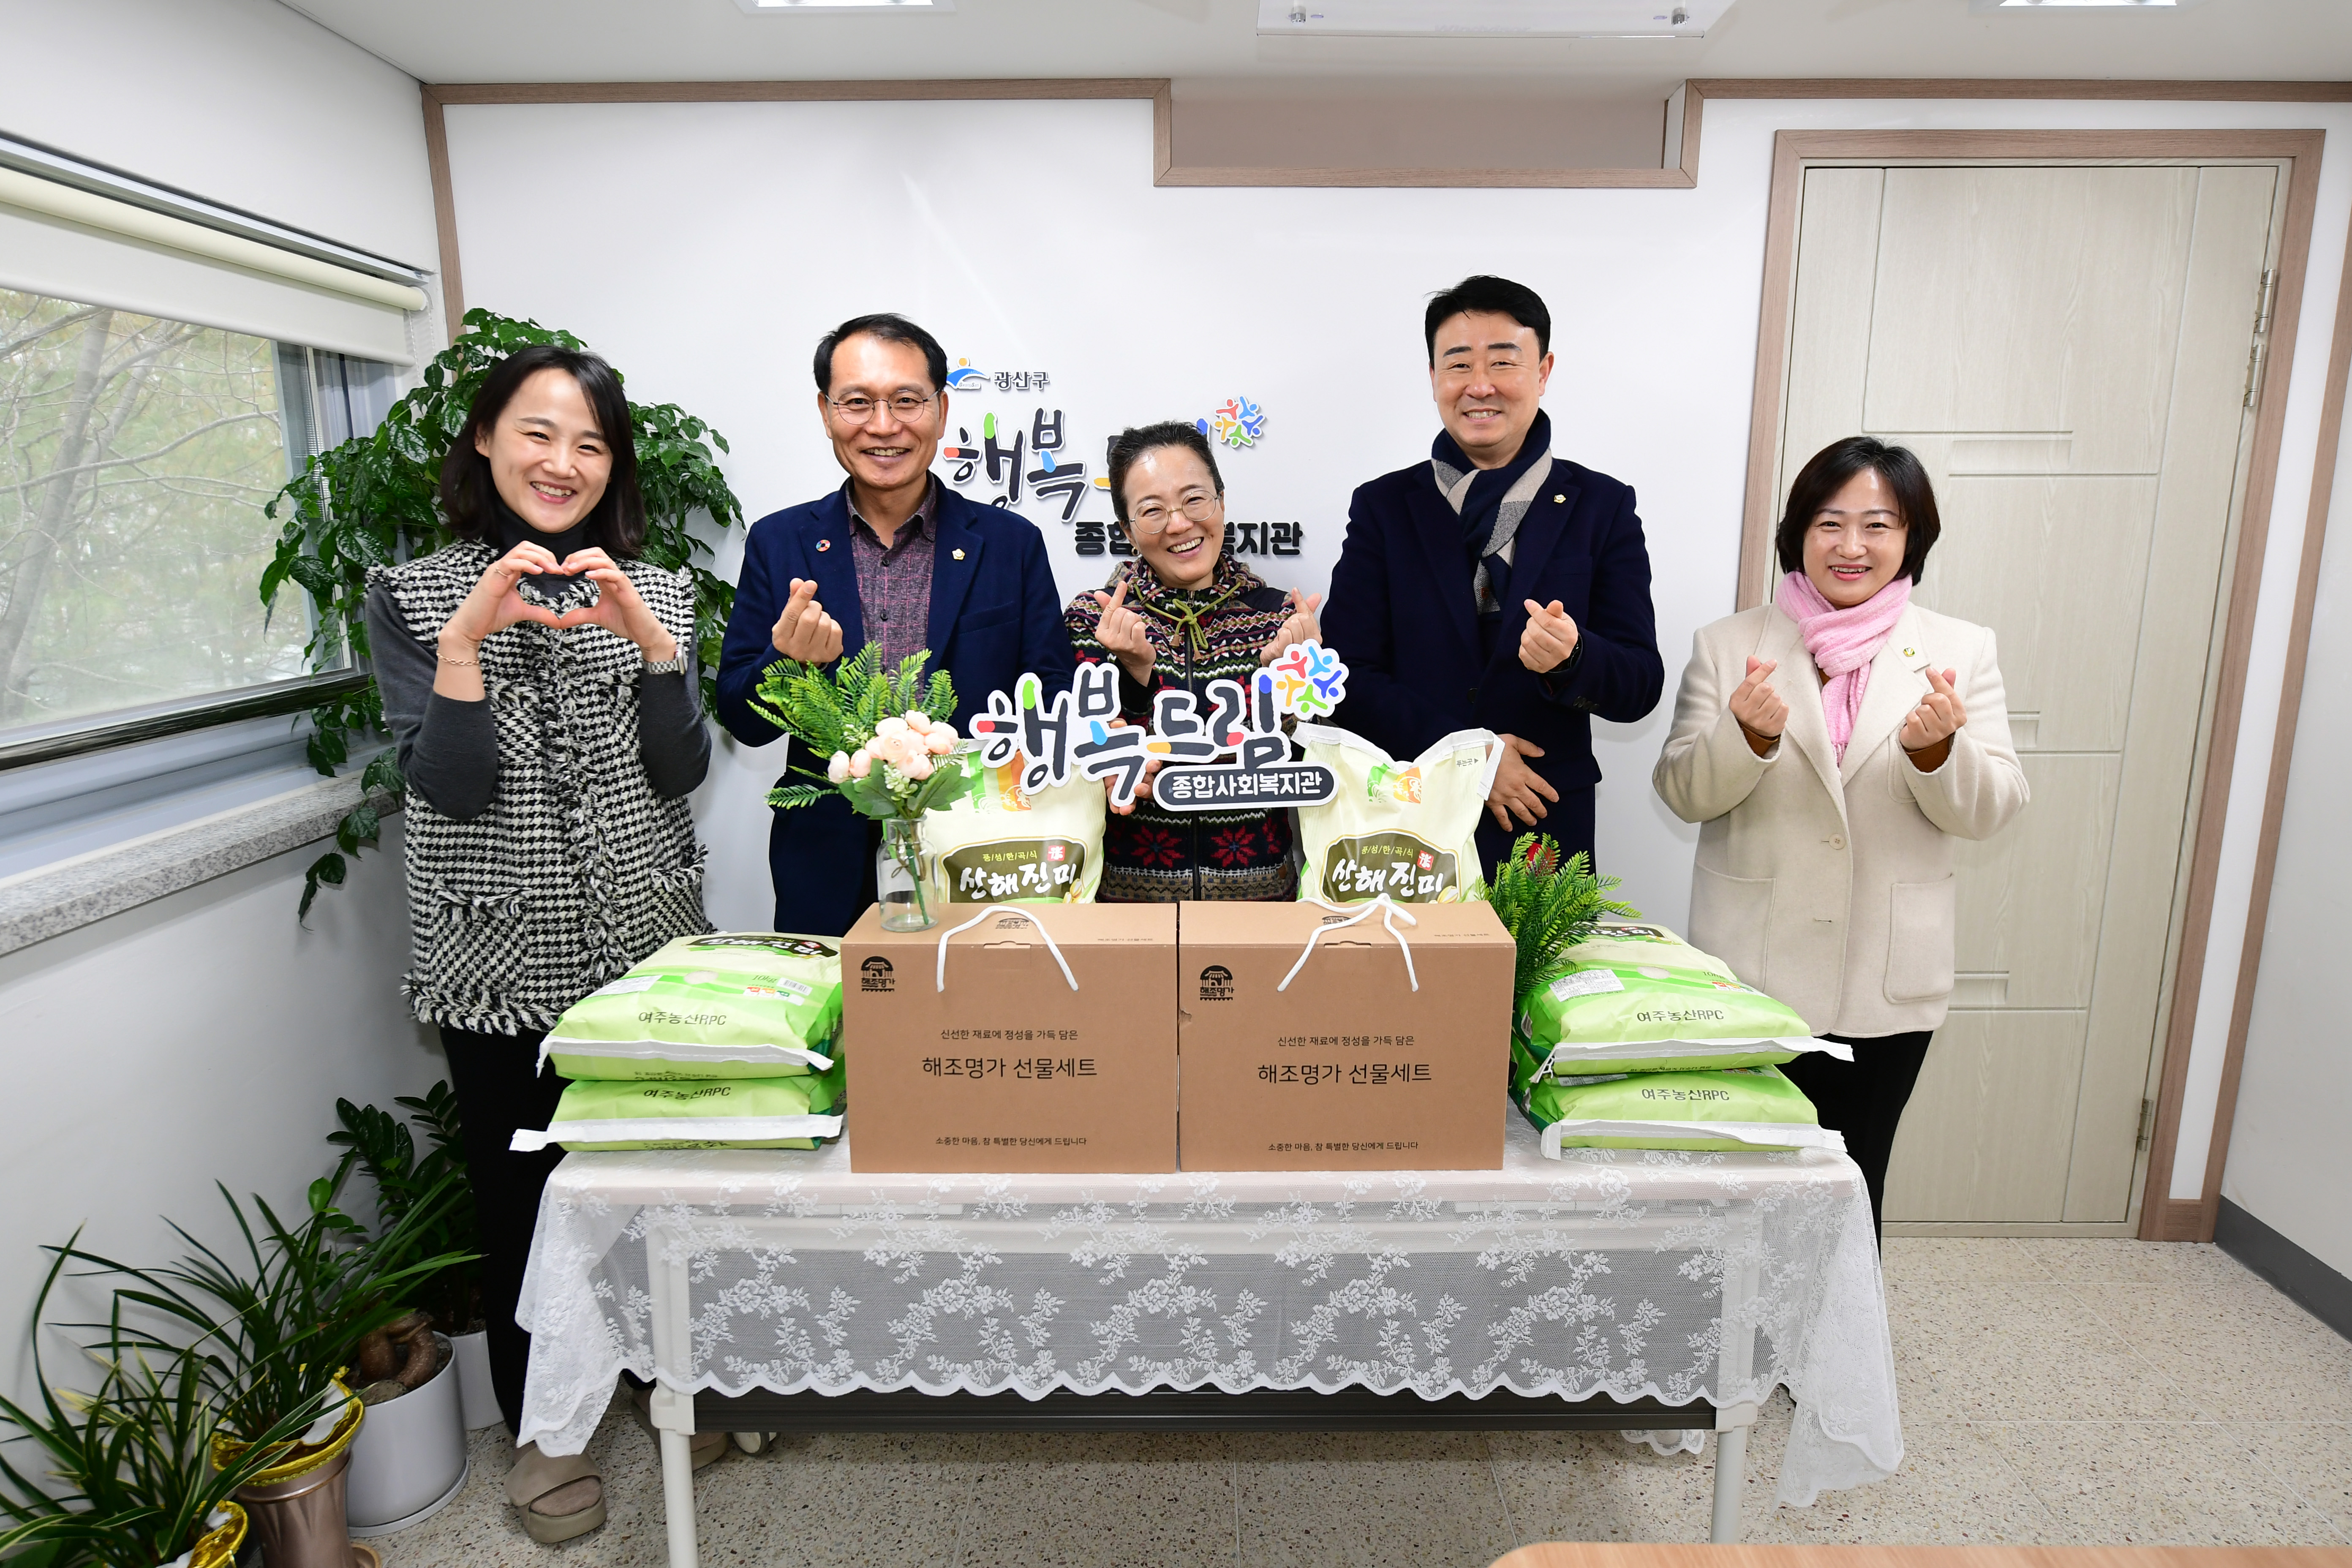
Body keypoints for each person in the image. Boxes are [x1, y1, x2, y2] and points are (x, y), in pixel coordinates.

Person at [365, 344, 721, 1543]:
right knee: (523, 1197)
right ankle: (546, 1437)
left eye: (589, 442)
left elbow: (680, 770)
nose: (562, 463)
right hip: (496, 956)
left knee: (666, 1184)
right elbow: (449, 790)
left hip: (649, 936)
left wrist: (652, 645)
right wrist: (466, 644)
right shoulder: (412, 594)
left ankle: (683, 1387)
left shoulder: (659, 588)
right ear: (483, 439)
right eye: (536, 433)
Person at [1652, 435, 2029, 1243]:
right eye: (1829, 523)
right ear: (1797, 532)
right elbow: (1681, 792)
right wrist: (1743, 740)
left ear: (1910, 539)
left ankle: (1836, 1357)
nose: (1851, 546)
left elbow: (1993, 807)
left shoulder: (1960, 649)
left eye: (1877, 525)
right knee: (1742, 1178)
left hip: (1884, 973)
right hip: (1750, 968)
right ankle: (1733, 1348)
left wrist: (1937, 755)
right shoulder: (1729, 645)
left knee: (1858, 1172)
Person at [716, 313, 1076, 934]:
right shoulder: (781, 542)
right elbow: (742, 721)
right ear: (827, 412)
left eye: (906, 401)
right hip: (825, 864)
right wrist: (790, 663)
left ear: (940, 408)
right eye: (857, 402)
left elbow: (1052, 698)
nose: (883, 426)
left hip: (980, 854)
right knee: (838, 1028)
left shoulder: (1009, 544)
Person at [1321, 274, 1663, 877]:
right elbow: (1348, 676)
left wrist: (1572, 657)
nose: (1480, 386)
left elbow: (1639, 684)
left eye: (1504, 362)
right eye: (1458, 364)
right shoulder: (1385, 506)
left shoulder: (1601, 505)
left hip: (1542, 823)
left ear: (1544, 370)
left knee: (1534, 976)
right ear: (1433, 378)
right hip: (1407, 820)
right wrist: (1470, 757)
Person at [1065, 421, 1322, 901]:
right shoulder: (1094, 618)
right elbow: (1081, 758)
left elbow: (1312, 766)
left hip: (1262, 897)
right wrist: (1134, 674)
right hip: (1126, 902)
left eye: (1194, 500)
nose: (1180, 523)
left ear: (1221, 502)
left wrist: (1293, 684)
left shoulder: (1277, 616)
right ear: (1127, 529)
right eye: (1153, 511)